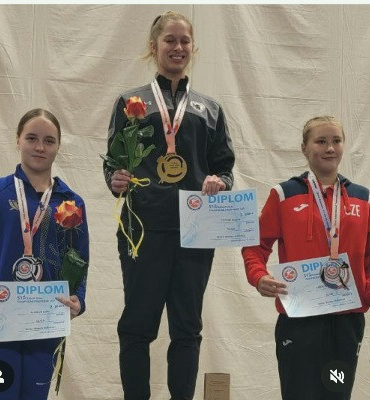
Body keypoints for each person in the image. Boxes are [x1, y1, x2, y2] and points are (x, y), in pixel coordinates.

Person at [103, 11, 235, 400]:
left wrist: (220, 182)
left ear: (193, 47)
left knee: (187, 328)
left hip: (196, 231)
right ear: (154, 46)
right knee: (136, 326)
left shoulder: (210, 109)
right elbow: (114, 162)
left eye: (184, 41)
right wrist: (114, 178)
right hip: (142, 229)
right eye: (170, 40)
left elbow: (225, 168)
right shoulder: (130, 102)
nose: (178, 47)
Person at [242, 116, 370, 400]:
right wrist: (258, 276)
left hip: (346, 323)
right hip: (299, 320)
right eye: (320, 141)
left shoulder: (363, 198)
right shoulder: (284, 194)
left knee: (336, 393)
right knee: (299, 393)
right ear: (304, 148)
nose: (329, 148)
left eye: (336, 141)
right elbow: (255, 244)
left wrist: (366, 289)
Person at [0, 108, 89, 400]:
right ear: (17, 140)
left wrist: (78, 299)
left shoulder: (71, 202)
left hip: (43, 325)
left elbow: (80, 259)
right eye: (32, 138)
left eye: (49, 140)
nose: (40, 147)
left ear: (58, 146)